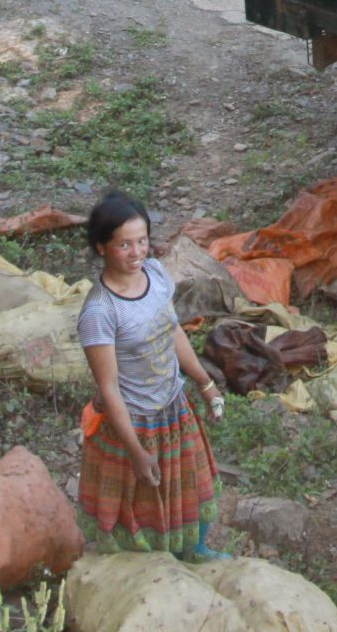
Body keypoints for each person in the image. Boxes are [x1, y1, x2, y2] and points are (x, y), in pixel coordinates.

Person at [76, 191, 229, 557]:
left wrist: (205, 384)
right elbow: (109, 388)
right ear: (102, 248)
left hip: (173, 407)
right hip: (134, 422)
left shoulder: (156, 275)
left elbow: (172, 330)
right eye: (124, 244)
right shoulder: (100, 311)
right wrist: (136, 452)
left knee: (193, 484)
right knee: (141, 504)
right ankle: (147, 568)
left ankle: (195, 550)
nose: (136, 252)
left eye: (142, 240)